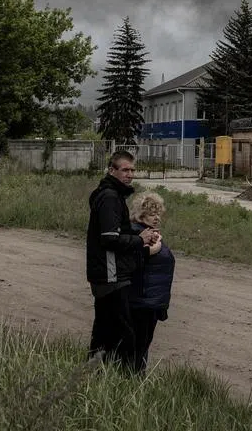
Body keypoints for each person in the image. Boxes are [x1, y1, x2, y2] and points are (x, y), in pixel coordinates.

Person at [86, 149, 159, 372]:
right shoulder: (109, 197)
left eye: (132, 170)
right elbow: (110, 239)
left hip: (110, 275)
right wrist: (140, 239)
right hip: (111, 277)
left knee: (104, 331)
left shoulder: (112, 195)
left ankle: (92, 373)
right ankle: (127, 380)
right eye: (125, 169)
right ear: (112, 170)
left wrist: (142, 248)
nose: (130, 174)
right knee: (125, 334)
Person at [127, 191, 176, 373]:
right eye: (151, 214)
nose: (156, 218)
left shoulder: (151, 233)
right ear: (140, 215)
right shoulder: (137, 234)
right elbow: (132, 262)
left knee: (143, 344)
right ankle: (132, 379)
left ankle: (136, 377)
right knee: (138, 345)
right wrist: (152, 251)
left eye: (158, 213)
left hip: (151, 300)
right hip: (141, 300)